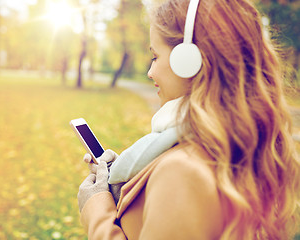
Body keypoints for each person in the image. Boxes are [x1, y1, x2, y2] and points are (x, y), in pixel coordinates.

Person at [77, 0, 300, 239]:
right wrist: (131, 182)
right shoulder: (239, 148)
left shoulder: (182, 173)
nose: (150, 72)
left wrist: (97, 208)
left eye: (155, 56)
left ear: (188, 61)